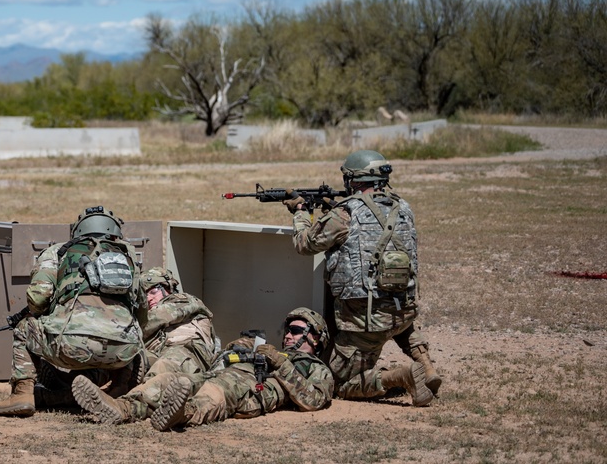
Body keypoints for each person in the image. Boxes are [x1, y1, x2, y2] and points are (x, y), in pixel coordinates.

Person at [288, 149, 441, 407]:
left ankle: (401, 377)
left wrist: (301, 213)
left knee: (335, 384)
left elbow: (305, 244)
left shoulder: (344, 213)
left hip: (364, 322)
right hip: (402, 312)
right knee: (397, 320)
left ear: (355, 180)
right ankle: (427, 368)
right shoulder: (404, 208)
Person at [0, 206, 147, 418]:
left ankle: (22, 394)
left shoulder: (58, 251)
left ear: (77, 230)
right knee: (130, 331)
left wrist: (47, 313)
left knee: (24, 328)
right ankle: (118, 389)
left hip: (70, 347)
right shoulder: (128, 255)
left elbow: (38, 297)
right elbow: (141, 310)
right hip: (122, 353)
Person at [71, 266, 219, 424]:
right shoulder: (146, 316)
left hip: (185, 351)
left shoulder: (184, 300)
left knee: (162, 368)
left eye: (153, 291)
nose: (148, 298)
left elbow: (151, 321)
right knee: (120, 360)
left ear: (167, 287)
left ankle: (124, 407)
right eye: (144, 295)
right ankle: (58, 390)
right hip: (157, 351)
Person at [149, 307, 334, 431]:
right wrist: (241, 347)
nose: (287, 335)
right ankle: (125, 407)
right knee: (172, 381)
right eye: (287, 330)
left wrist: (281, 364)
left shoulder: (317, 368)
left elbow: (314, 400)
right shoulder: (273, 351)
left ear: (316, 338)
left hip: (248, 388)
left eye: (295, 331)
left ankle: (185, 413)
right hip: (222, 373)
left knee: (217, 391)